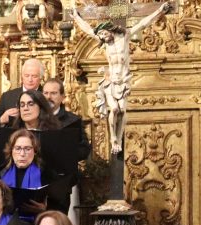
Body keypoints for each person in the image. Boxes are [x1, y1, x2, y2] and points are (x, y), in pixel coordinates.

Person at [71, 3, 170, 154]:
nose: (102, 37)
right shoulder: (105, 42)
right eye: (101, 35)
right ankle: (113, 139)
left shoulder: (124, 36)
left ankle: (119, 138)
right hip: (111, 80)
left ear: (110, 30)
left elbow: (143, 23)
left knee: (122, 110)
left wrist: (159, 11)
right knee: (114, 109)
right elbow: (89, 30)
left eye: (104, 33)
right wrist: (77, 18)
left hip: (123, 80)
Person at [0, 129, 64, 215]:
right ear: (11, 151)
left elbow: (62, 207)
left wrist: (46, 209)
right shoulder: (0, 173)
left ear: (35, 151)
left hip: (38, 221)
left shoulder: (47, 174)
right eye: (18, 148)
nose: (22, 154)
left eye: (27, 149)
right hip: (7, 221)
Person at [42, 78, 92, 160]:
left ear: (62, 97)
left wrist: (65, 151)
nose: (48, 97)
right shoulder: (34, 117)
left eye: (53, 93)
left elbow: (84, 150)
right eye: (45, 93)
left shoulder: (73, 121)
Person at [0, 58, 44, 129]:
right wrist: (2, 120)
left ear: (41, 78)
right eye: (27, 76)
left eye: (34, 76)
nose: (30, 80)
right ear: (22, 76)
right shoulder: (7, 97)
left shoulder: (46, 95)